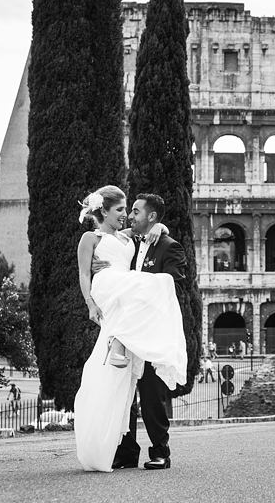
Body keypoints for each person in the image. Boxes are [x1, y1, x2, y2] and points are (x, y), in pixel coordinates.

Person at [74, 187, 189, 473]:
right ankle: (126, 453)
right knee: (121, 389)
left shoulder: (165, 244)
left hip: (147, 327)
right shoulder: (127, 239)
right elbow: (91, 266)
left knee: (151, 393)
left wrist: (159, 226)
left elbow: (174, 284)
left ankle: (160, 452)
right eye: (125, 210)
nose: (128, 216)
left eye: (133, 211)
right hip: (117, 307)